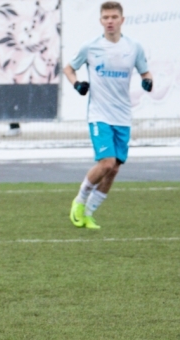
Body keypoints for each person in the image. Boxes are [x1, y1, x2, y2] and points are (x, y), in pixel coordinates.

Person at [64, 1, 152, 230]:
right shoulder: (90, 47)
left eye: (114, 17)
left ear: (122, 20)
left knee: (114, 170)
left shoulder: (134, 47)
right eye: (106, 17)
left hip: (123, 116)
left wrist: (147, 81)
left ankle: (89, 214)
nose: (110, 21)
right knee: (106, 163)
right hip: (99, 114)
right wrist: (77, 85)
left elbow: (145, 71)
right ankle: (79, 201)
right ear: (101, 21)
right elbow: (68, 68)